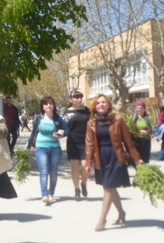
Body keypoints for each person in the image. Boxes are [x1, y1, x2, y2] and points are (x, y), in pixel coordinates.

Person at [85, 94, 144, 231]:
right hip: (100, 157)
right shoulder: (91, 123)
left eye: (103, 102)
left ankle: (102, 219)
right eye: (98, 103)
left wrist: (137, 158)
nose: (101, 104)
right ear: (94, 106)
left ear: (109, 104)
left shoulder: (118, 120)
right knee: (110, 187)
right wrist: (88, 163)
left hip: (115, 156)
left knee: (108, 187)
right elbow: (89, 144)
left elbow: (127, 141)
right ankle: (122, 213)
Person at [26, 96, 69, 205]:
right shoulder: (38, 118)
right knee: (44, 171)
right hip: (41, 147)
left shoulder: (58, 118)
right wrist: (28, 146)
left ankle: (51, 193)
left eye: (50, 103)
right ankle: (44, 194)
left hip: (55, 148)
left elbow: (67, 130)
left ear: (53, 105)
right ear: (42, 106)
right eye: (46, 104)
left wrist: (61, 133)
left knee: (53, 172)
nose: (48, 105)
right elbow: (33, 133)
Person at [62, 90, 90, 200]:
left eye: (80, 97)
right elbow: (63, 128)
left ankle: (84, 183)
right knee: (74, 167)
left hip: (86, 142)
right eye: (76, 97)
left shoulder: (87, 111)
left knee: (85, 166)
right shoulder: (67, 113)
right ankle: (77, 190)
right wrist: (60, 132)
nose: (79, 99)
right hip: (73, 142)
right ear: (71, 99)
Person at [129, 100, 153, 166]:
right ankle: (137, 170)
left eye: (141, 108)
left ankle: (144, 171)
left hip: (145, 141)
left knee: (144, 159)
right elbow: (129, 128)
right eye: (138, 108)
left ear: (144, 109)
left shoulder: (149, 118)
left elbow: (152, 130)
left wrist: (145, 132)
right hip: (135, 140)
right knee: (135, 159)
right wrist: (135, 131)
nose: (139, 110)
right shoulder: (132, 117)